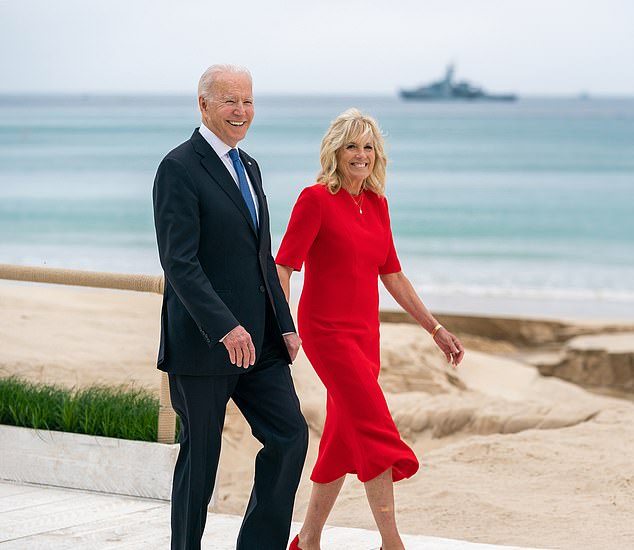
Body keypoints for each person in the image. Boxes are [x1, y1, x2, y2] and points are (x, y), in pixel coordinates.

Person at [275, 108, 465, 550]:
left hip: (365, 335)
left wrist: (434, 328)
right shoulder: (315, 199)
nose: (360, 155)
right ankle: (391, 543)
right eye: (351, 146)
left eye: (367, 146)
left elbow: (392, 274)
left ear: (377, 154)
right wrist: (284, 327)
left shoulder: (378, 204)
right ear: (335, 152)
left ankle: (308, 541)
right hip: (325, 333)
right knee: (376, 429)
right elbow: (284, 266)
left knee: (342, 439)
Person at [152, 64, 308, 550]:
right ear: (204, 105)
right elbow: (180, 262)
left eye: (248, 101)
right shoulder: (178, 168)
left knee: (290, 438)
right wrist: (224, 327)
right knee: (201, 464)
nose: (241, 111)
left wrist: (284, 323)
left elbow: (262, 257)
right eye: (229, 101)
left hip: (260, 342)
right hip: (205, 344)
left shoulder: (250, 166)